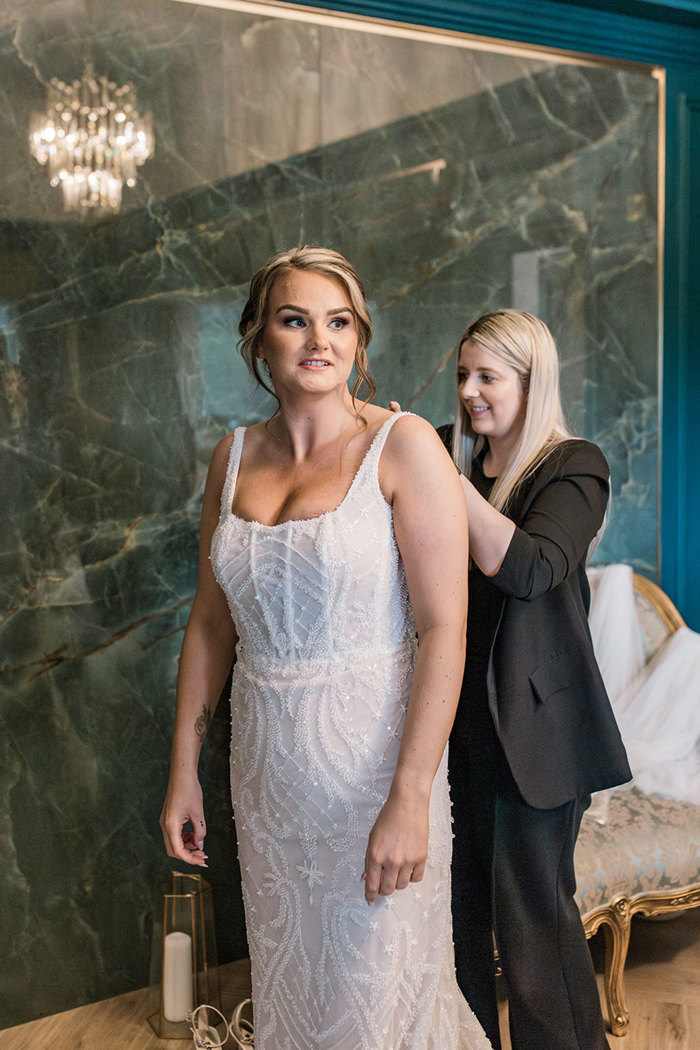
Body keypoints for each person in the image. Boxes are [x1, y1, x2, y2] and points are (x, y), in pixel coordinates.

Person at [159, 246, 492, 1050]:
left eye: (338, 322)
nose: (320, 339)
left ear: (359, 338)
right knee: (294, 992)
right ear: (259, 339)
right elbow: (211, 621)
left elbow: (446, 625)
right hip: (270, 785)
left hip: (376, 775)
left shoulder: (406, 446)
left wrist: (411, 796)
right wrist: (183, 770)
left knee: (375, 1003)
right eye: (295, 319)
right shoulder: (231, 457)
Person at [436, 309, 632, 1050]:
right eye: (462, 374)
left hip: (536, 733)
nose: (469, 392)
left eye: (487, 376)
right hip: (453, 730)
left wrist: (446, 480)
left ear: (531, 379)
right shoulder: (458, 461)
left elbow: (525, 568)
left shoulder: (574, 466)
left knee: (533, 942)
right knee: (457, 930)